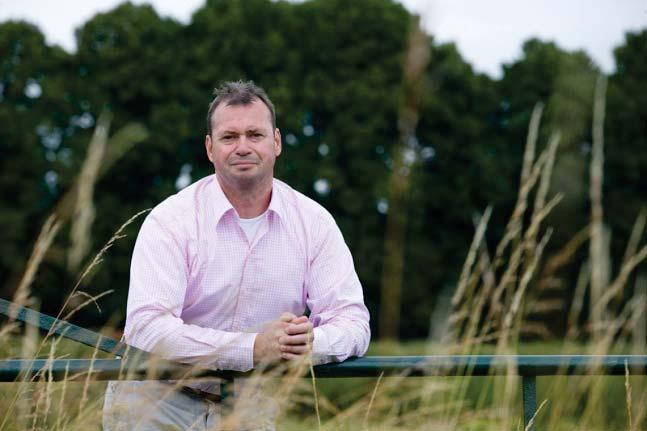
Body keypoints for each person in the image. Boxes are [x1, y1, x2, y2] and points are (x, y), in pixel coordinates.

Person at [103, 80, 370, 430]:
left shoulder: (314, 223)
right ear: (210, 148)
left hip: (250, 408)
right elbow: (147, 328)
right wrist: (252, 349)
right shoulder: (170, 220)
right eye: (229, 137)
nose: (242, 147)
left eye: (255, 135)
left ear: (276, 142)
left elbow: (353, 321)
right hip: (155, 404)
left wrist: (304, 343)